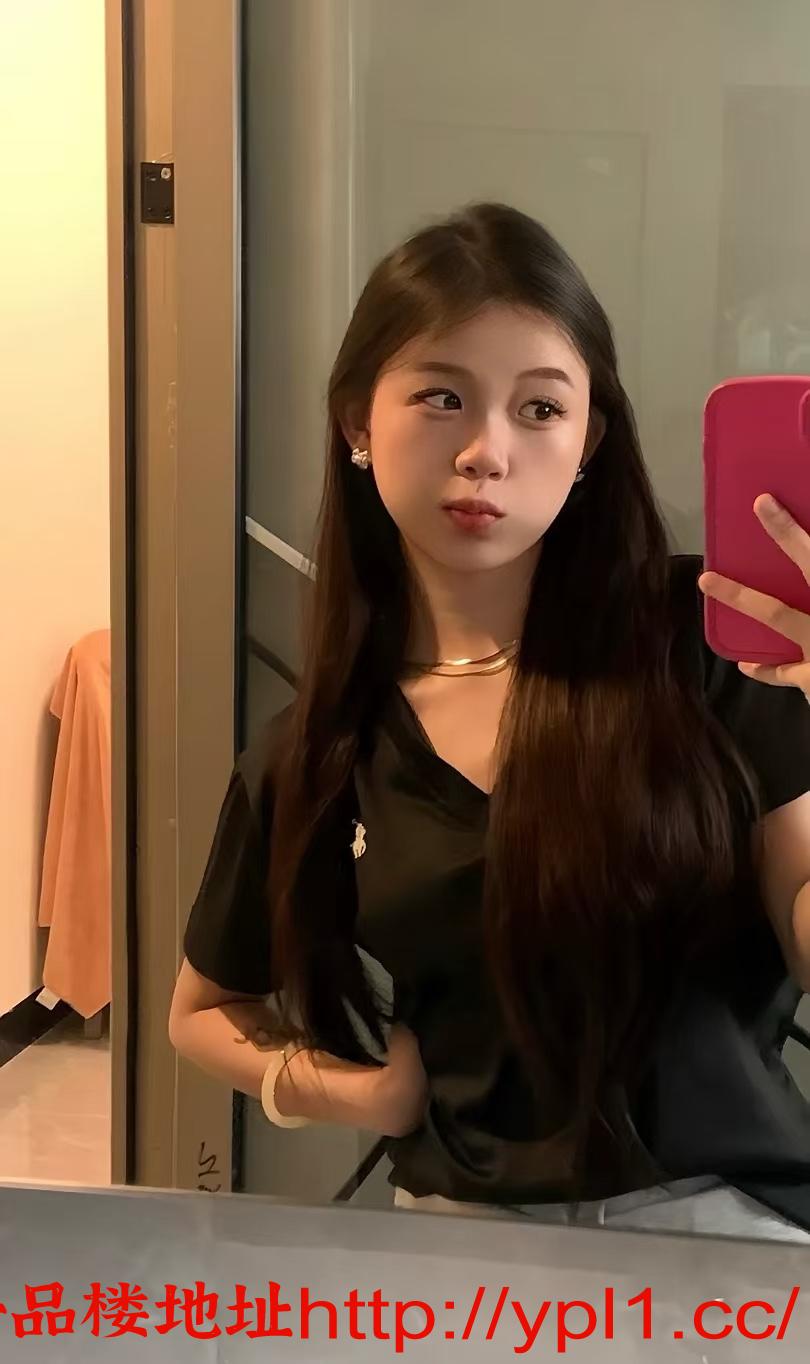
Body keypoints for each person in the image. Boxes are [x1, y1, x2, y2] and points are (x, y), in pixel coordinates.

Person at [170, 202, 810, 1236]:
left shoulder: (706, 642)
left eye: (541, 407)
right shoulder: (321, 748)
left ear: (589, 439)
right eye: (442, 396)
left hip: (727, 1231)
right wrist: (356, 1093)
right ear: (357, 422)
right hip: (464, 1245)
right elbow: (201, 1011)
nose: (486, 451)